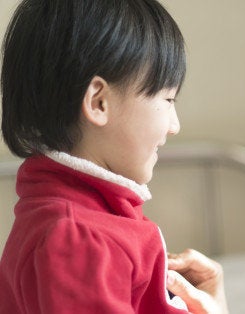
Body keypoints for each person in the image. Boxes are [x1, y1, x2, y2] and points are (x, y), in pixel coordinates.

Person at [0, 0, 228, 313]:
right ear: (99, 102)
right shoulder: (78, 239)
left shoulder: (82, 220)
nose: (175, 126)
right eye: (168, 99)